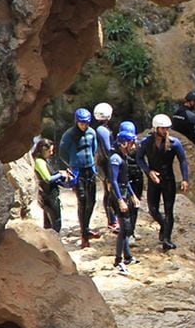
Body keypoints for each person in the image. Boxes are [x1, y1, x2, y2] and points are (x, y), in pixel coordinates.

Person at [137, 113, 190, 251]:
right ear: (156, 128)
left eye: (167, 128)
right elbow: (139, 158)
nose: (165, 131)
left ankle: (167, 239)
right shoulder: (147, 142)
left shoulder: (174, 143)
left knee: (169, 210)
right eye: (162, 128)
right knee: (152, 209)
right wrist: (149, 172)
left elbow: (183, 160)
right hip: (153, 179)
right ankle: (163, 226)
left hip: (168, 179)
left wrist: (185, 179)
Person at [59, 107, 101, 248]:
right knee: (82, 200)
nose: (84, 125)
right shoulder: (69, 135)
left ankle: (86, 226)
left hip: (90, 169)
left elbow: (94, 148)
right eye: (82, 123)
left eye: (87, 123)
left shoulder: (91, 133)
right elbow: (62, 152)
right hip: (77, 171)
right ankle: (84, 234)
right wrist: (71, 164)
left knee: (92, 200)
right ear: (77, 121)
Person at [108, 126, 140, 274]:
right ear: (124, 143)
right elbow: (114, 181)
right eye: (131, 143)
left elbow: (125, 179)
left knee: (127, 228)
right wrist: (120, 200)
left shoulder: (122, 156)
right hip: (118, 194)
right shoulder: (115, 159)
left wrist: (132, 195)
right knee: (124, 228)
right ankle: (118, 261)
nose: (133, 146)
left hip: (124, 191)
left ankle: (127, 256)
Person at [31, 138, 72, 232]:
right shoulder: (39, 162)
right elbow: (47, 179)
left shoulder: (44, 161)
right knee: (56, 225)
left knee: (48, 224)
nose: (52, 153)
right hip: (49, 197)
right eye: (50, 151)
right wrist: (60, 174)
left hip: (48, 196)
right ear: (43, 150)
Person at [93, 101, 118, 232]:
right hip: (105, 165)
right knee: (110, 192)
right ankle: (112, 220)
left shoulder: (98, 129)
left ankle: (112, 219)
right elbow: (108, 150)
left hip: (101, 164)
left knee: (108, 192)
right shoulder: (102, 130)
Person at [120, 120, 144, 240]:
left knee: (133, 205)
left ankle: (131, 231)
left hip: (134, 176)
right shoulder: (120, 147)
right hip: (129, 177)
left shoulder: (137, 145)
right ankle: (128, 232)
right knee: (129, 206)